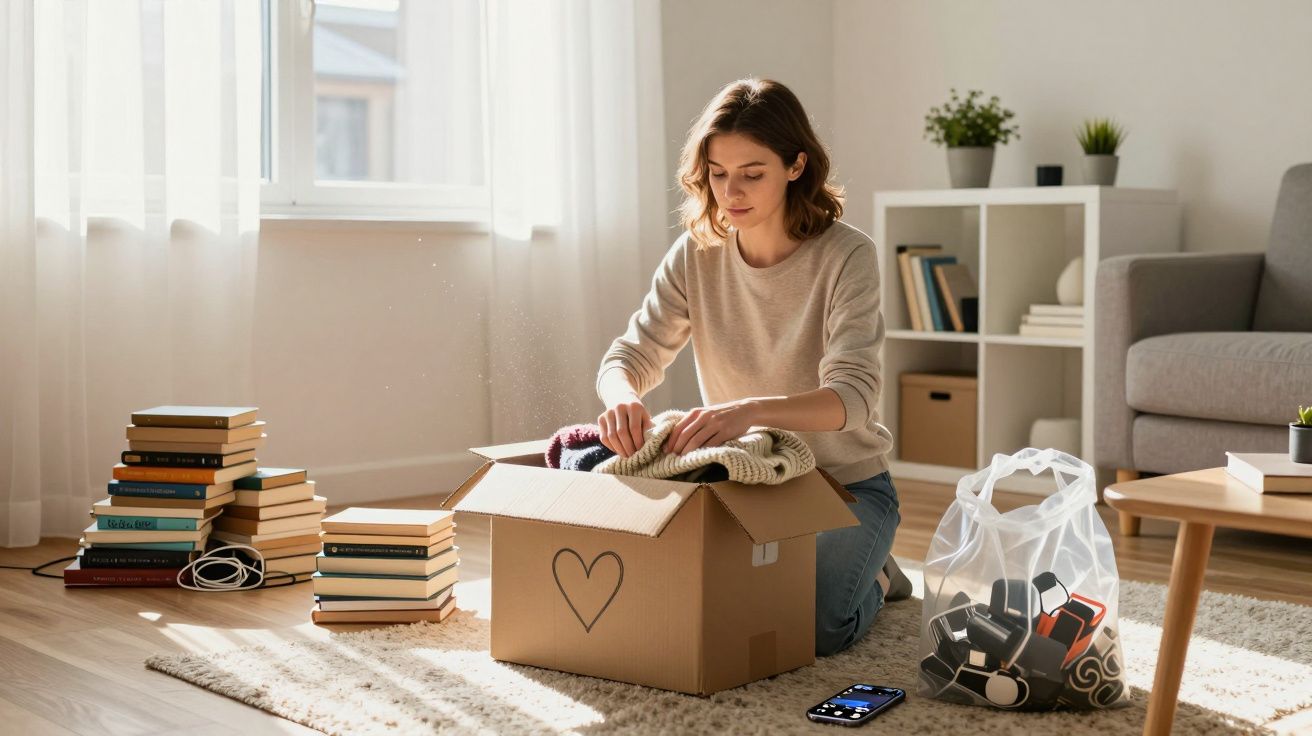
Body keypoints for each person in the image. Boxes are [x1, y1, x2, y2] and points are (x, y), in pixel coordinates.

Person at [594, 78, 909, 657]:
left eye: (752, 173)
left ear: (796, 166)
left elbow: (853, 397)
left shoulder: (848, 254)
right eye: (717, 173)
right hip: (749, 483)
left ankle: (881, 576)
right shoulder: (695, 254)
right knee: (689, 604)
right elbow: (628, 358)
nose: (731, 192)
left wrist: (746, 412)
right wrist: (622, 399)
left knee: (814, 628)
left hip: (844, 484)